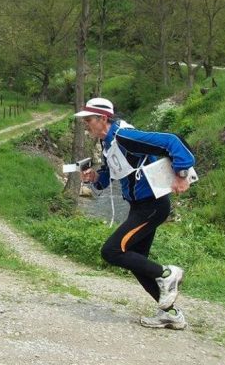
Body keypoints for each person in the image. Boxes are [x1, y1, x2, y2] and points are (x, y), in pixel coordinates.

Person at [76, 97, 195, 330]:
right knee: (136, 262)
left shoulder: (124, 136)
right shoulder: (108, 143)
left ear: (102, 118)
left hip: (152, 205)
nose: (85, 125)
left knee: (111, 251)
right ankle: (170, 314)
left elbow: (171, 141)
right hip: (140, 206)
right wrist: (95, 178)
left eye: (88, 120)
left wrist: (182, 174)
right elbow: (110, 176)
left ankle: (168, 273)